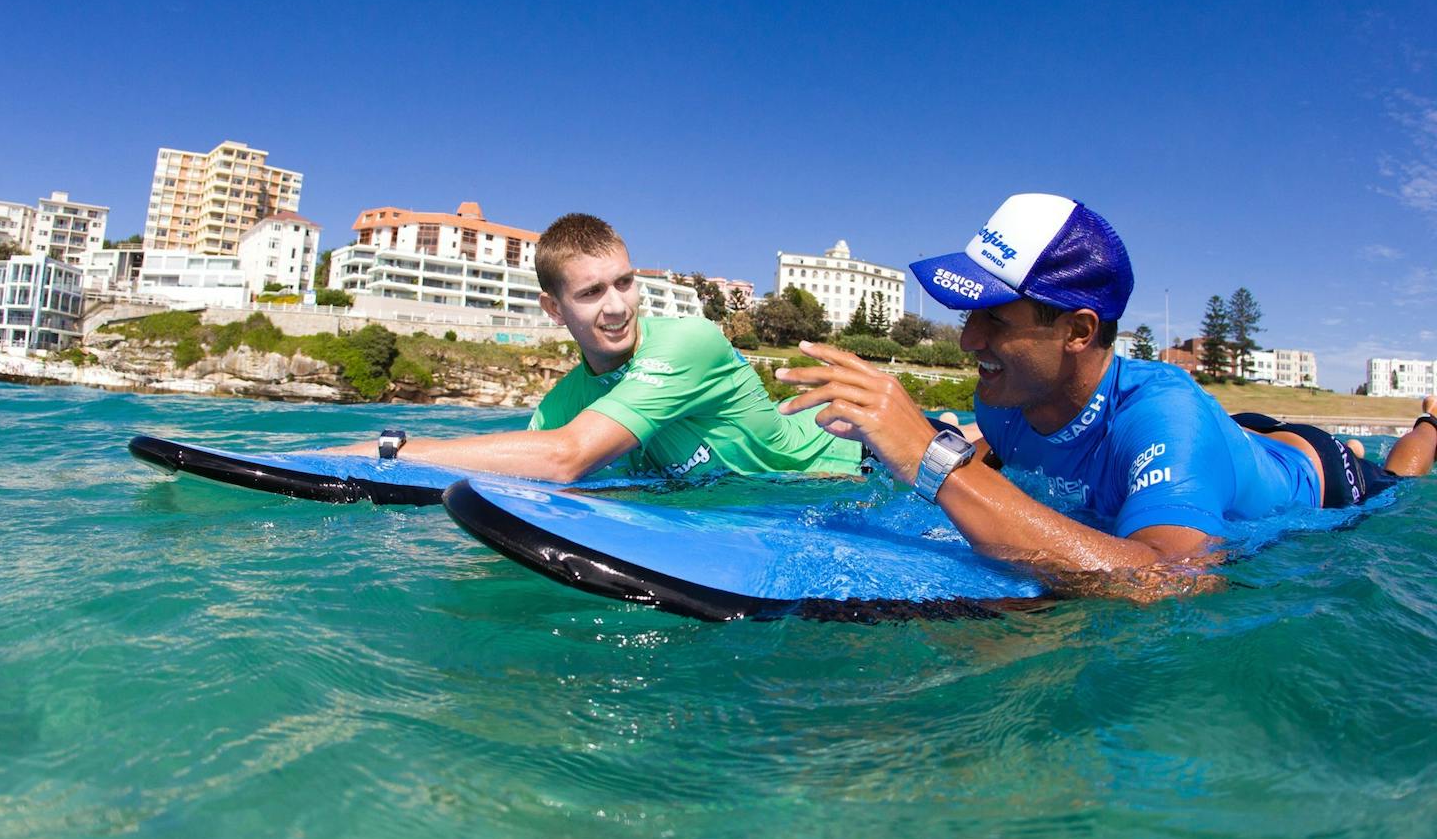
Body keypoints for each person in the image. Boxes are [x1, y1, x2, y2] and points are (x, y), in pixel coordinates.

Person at [777, 192, 1437, 582]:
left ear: (1078, 330)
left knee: (1401, 481)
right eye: (968, 315)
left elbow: (1171, 580)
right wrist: (923, 447)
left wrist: (937, 463)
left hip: (1319, 471)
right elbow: (1003, 469)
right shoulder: (1006, 398)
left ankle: (1430, 423)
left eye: (995, 320)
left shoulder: (1163, 417)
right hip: (1214, 449)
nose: (969, 341)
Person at [333, 213, 863, 483]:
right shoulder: (560, 409)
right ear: (554, 310)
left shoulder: (689, 342)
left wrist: (390, 451)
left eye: (624, 282)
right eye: (590, 293)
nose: (617, 307)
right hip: (750, 506)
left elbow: (567, 459)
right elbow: (531, 476)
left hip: (847, 470)